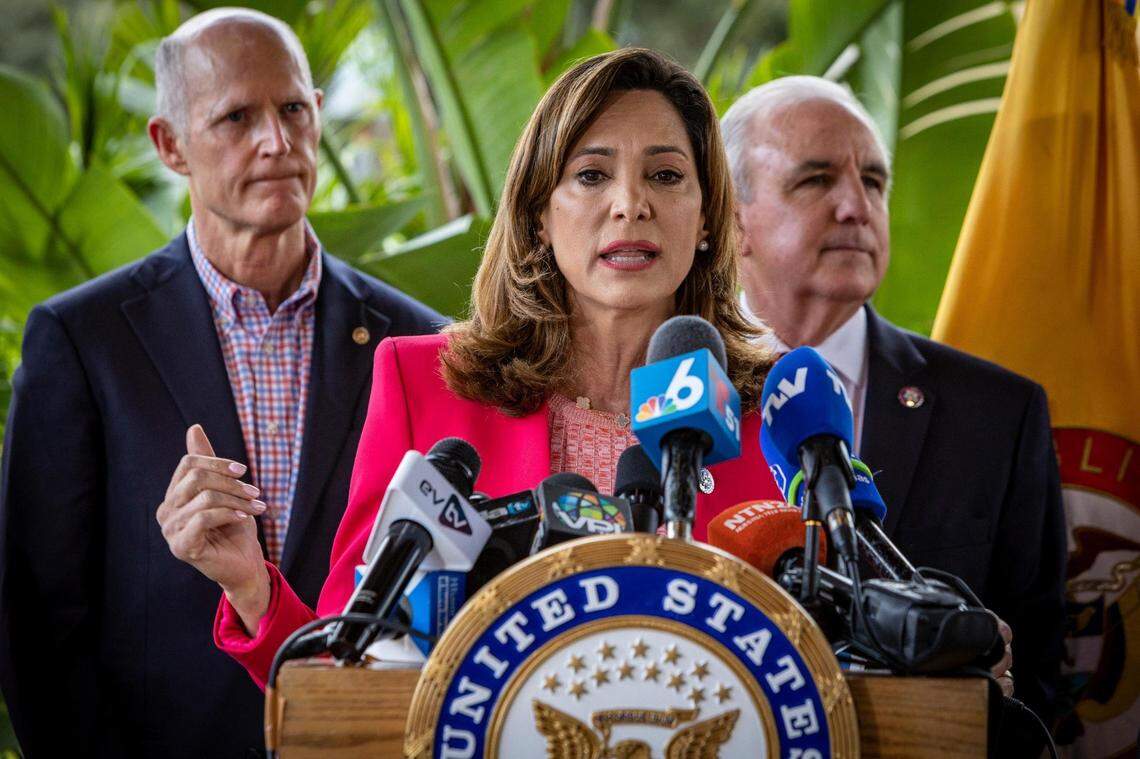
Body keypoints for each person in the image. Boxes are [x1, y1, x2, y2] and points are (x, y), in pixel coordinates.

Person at [155, 48, 783, 690]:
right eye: (591, 175)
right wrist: (251, 586)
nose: (630, 204)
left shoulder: (773, 413)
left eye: (667, 176)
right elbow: (350, 668)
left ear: (707, 218)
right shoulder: (424, 384)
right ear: (539, 215)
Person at [0, 9, 443, 758]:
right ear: (170, 144)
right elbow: (39, 622)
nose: (276, 141)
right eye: (236, 116)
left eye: (293, 109)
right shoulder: (84, 339)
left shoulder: (415, 340)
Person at [722, 76, 1066, 734]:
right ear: (732, 221)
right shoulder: (668, 394)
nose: (856, 205)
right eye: (816, 179)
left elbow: (1039, 680)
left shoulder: (999, 412)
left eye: (874, 181)